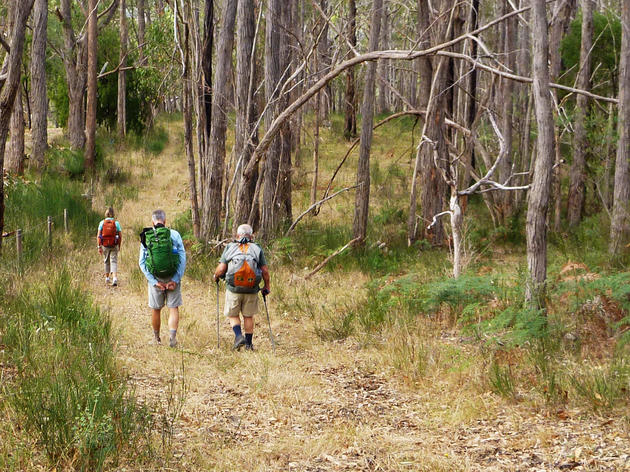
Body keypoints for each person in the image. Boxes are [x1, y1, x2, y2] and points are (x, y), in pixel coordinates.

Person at [214, 224, 270, 351]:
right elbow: (265, 271)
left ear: (237, 235)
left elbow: (221, 268)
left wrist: (216, 276)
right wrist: (267, 287)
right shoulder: (256, 248)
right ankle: (249, 345)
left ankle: (239, 336)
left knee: (233, 315)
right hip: (252, 289)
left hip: (234, 288)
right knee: (248, 316)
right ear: (251, 236)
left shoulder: (231, 247)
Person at [139, 209, 186, 347]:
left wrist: (154, 282)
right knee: (173, 308)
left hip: (156, 277)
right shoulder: (174, 234)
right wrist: (176, 280)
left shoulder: (147, 236)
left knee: (156, 309)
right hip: (172, 275)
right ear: (165, 221)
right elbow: (182, 259)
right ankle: (172, 338)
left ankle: (156, 339)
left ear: (152, 222)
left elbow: (142, 262)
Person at [97, 207, 122, 286]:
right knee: (114, 261)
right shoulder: (116, 223)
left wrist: (99, 246)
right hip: (114, 244)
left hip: (105, 245)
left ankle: (107, 278)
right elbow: (120, 236)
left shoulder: (102, 223)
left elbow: (98, 235)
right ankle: (114, 278)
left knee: (106, 260)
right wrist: (119, 245)